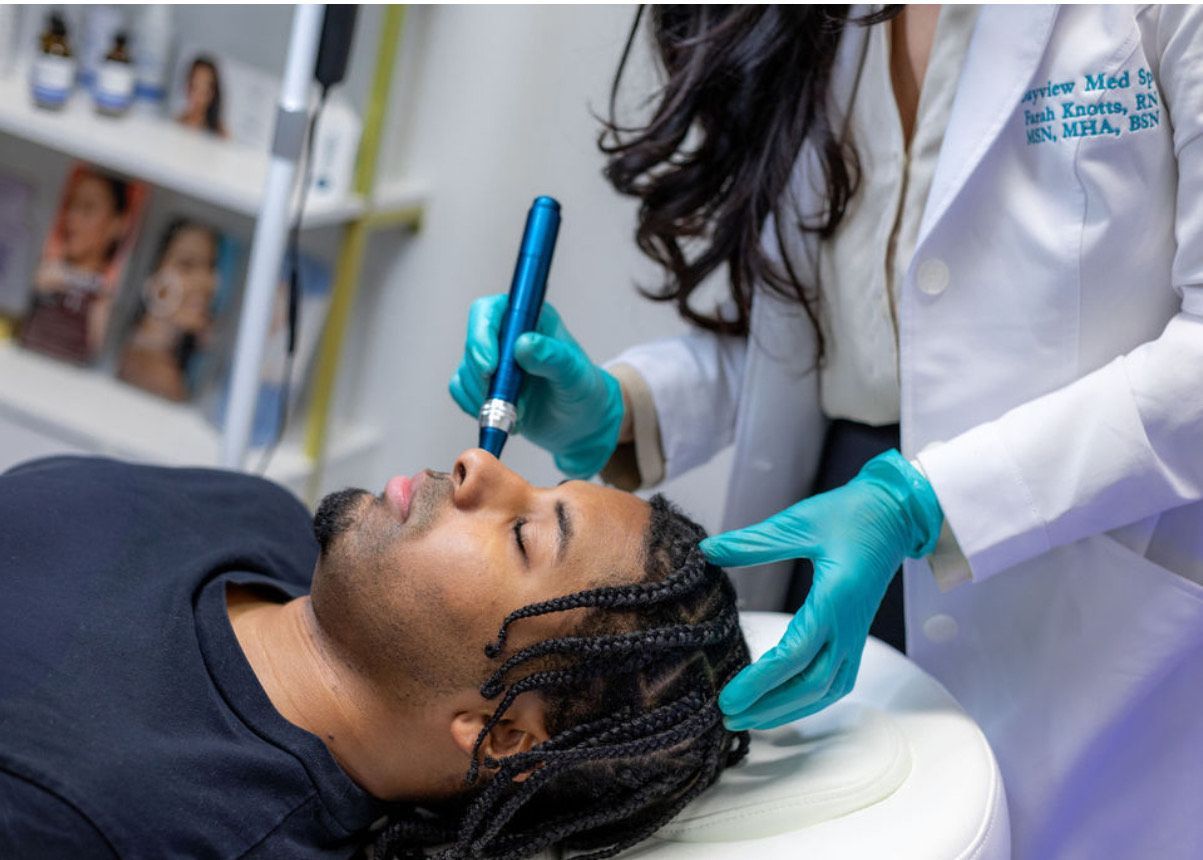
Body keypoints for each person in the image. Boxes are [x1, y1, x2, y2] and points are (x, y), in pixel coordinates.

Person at [452, 5, 1203, 858]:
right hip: (834, 547)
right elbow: (830, 338)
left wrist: (925, 501)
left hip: (1071, 572)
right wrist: (626, 406)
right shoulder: (819, 20)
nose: (467, 479)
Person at [0, 450, 749, 859]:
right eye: (538, 482)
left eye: (524, 534)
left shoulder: (116, 821)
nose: (476, 466)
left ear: (505, 735)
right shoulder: (257, 513)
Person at [21, 170, 133, 363]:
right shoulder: (41, 271)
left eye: (88, 208)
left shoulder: (110, 296)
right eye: (70, 204)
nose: (71, 217)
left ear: (118, 224)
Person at [118, 219, 221, 401]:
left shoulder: (172, 365)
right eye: (187, 265)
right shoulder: (159, 377)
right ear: (150, 272)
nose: (209, 282)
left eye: (211, 266)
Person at [177, 55, 228, 138]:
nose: (197, 95)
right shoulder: (177, 123)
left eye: (204, 88)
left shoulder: (220, 134)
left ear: (212, 93)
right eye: (194, 86)